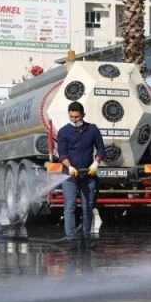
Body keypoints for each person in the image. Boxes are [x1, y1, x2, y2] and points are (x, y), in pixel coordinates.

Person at [56, 101, 105, 249]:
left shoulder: (92, 130)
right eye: (71, 117)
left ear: (83, 115)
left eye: (77, 117)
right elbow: (62, 154)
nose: (74, 120)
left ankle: (86, 237)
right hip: (69, 175)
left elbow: (101, 148)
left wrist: (96, 163)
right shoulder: (63, 132)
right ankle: (71, 239)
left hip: (88, 174)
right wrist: (69, 167)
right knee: (70, 206)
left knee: (87, 206)